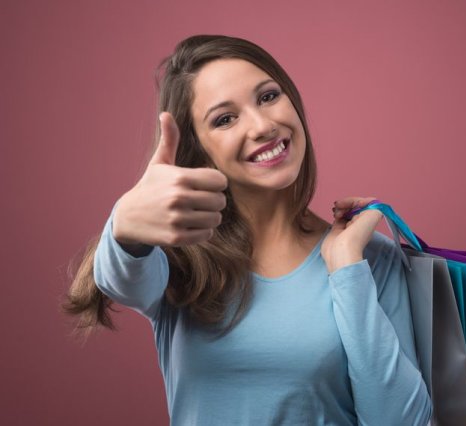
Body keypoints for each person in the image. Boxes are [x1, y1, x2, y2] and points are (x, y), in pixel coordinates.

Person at [63, 34, 431, 426]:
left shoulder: (367, 257)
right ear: (198, 149)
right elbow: (119, 280)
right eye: (225, 119)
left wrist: (347, 272)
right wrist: (126, 222)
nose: (263, 125)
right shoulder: (180, 256)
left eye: (268, 97)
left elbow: (400, 420)